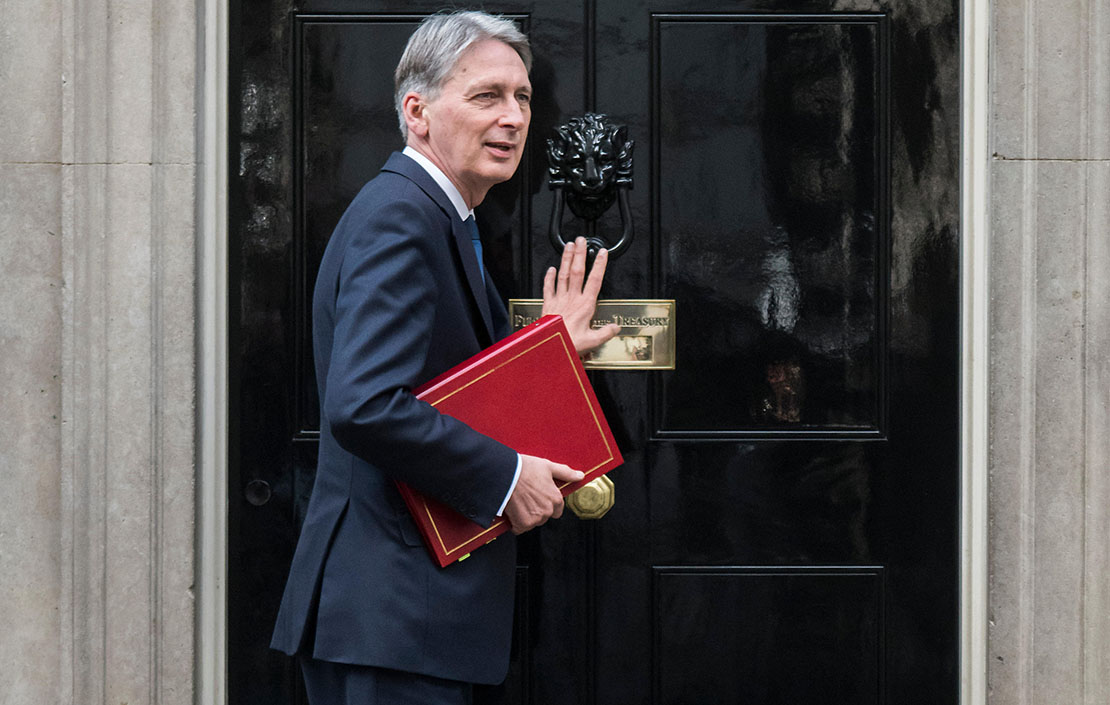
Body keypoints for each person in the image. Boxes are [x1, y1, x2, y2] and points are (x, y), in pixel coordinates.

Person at [269, 10, 619, 704]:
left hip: (402, 620)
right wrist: (505, 476)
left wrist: (546, 353)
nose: (514, 117)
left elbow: (437, 384)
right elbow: (365, 403)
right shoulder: (403, 216)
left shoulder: (437, 216)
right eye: (486, 96)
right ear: (418, 110)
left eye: (521, 98)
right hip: (393, 616)